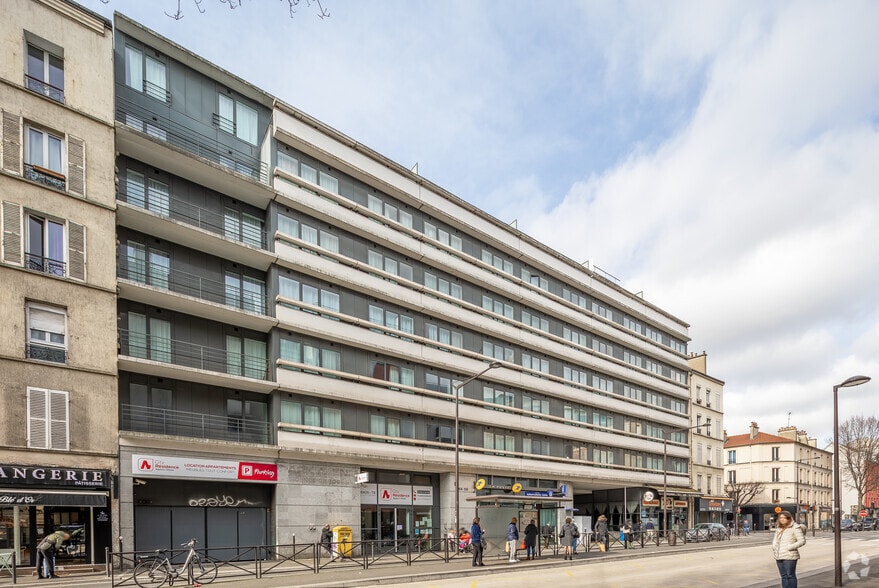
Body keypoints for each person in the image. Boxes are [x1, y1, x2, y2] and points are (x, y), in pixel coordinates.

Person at [772, 510, 806, 588]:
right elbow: (775, 539)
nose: (782, 519)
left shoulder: (795, 527)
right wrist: (774, 547)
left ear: (789, 518)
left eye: (784, 518)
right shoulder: (779, 528)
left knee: (790, 575)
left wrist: (789, 547)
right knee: (783, 576)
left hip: (790, 556)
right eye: (780, 518)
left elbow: (802, 541)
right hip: (779, 555)